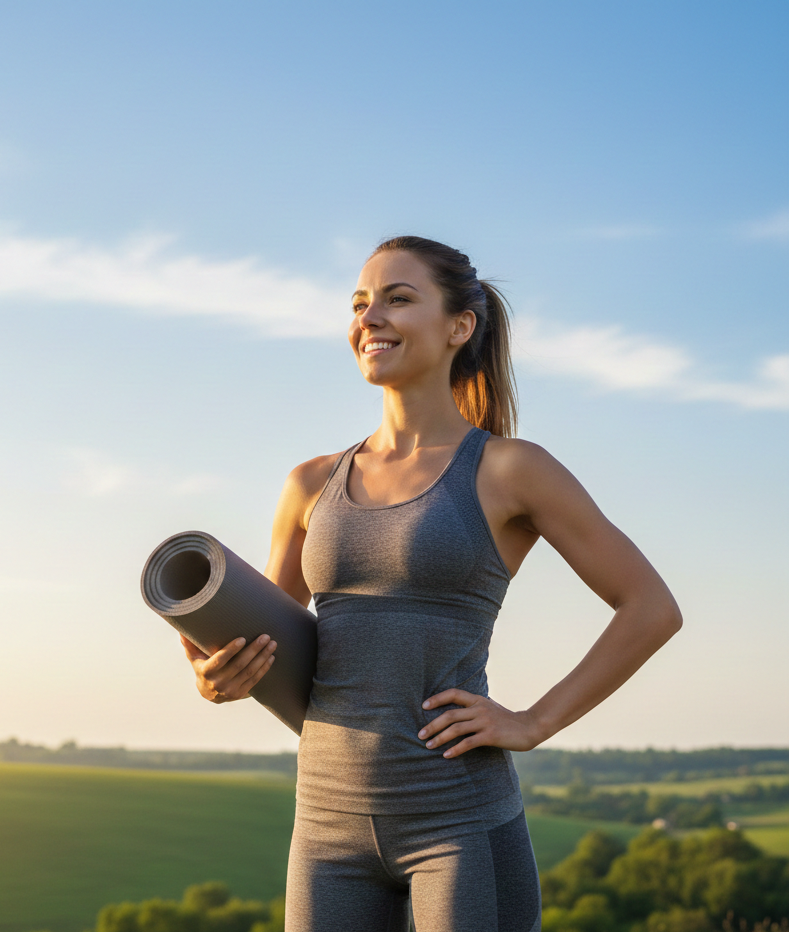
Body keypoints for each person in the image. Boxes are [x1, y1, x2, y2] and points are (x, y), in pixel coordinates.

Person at [179, 236, 682, 932]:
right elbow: (267, 640)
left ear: (459, 326)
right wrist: (216, 673)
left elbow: (651, 608)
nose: (369, 317)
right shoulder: (308, 484)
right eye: (359, 304)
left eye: (398, 298)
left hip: (458, 821)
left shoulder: (510, 470)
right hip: (325, 827)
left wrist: (534, 722)